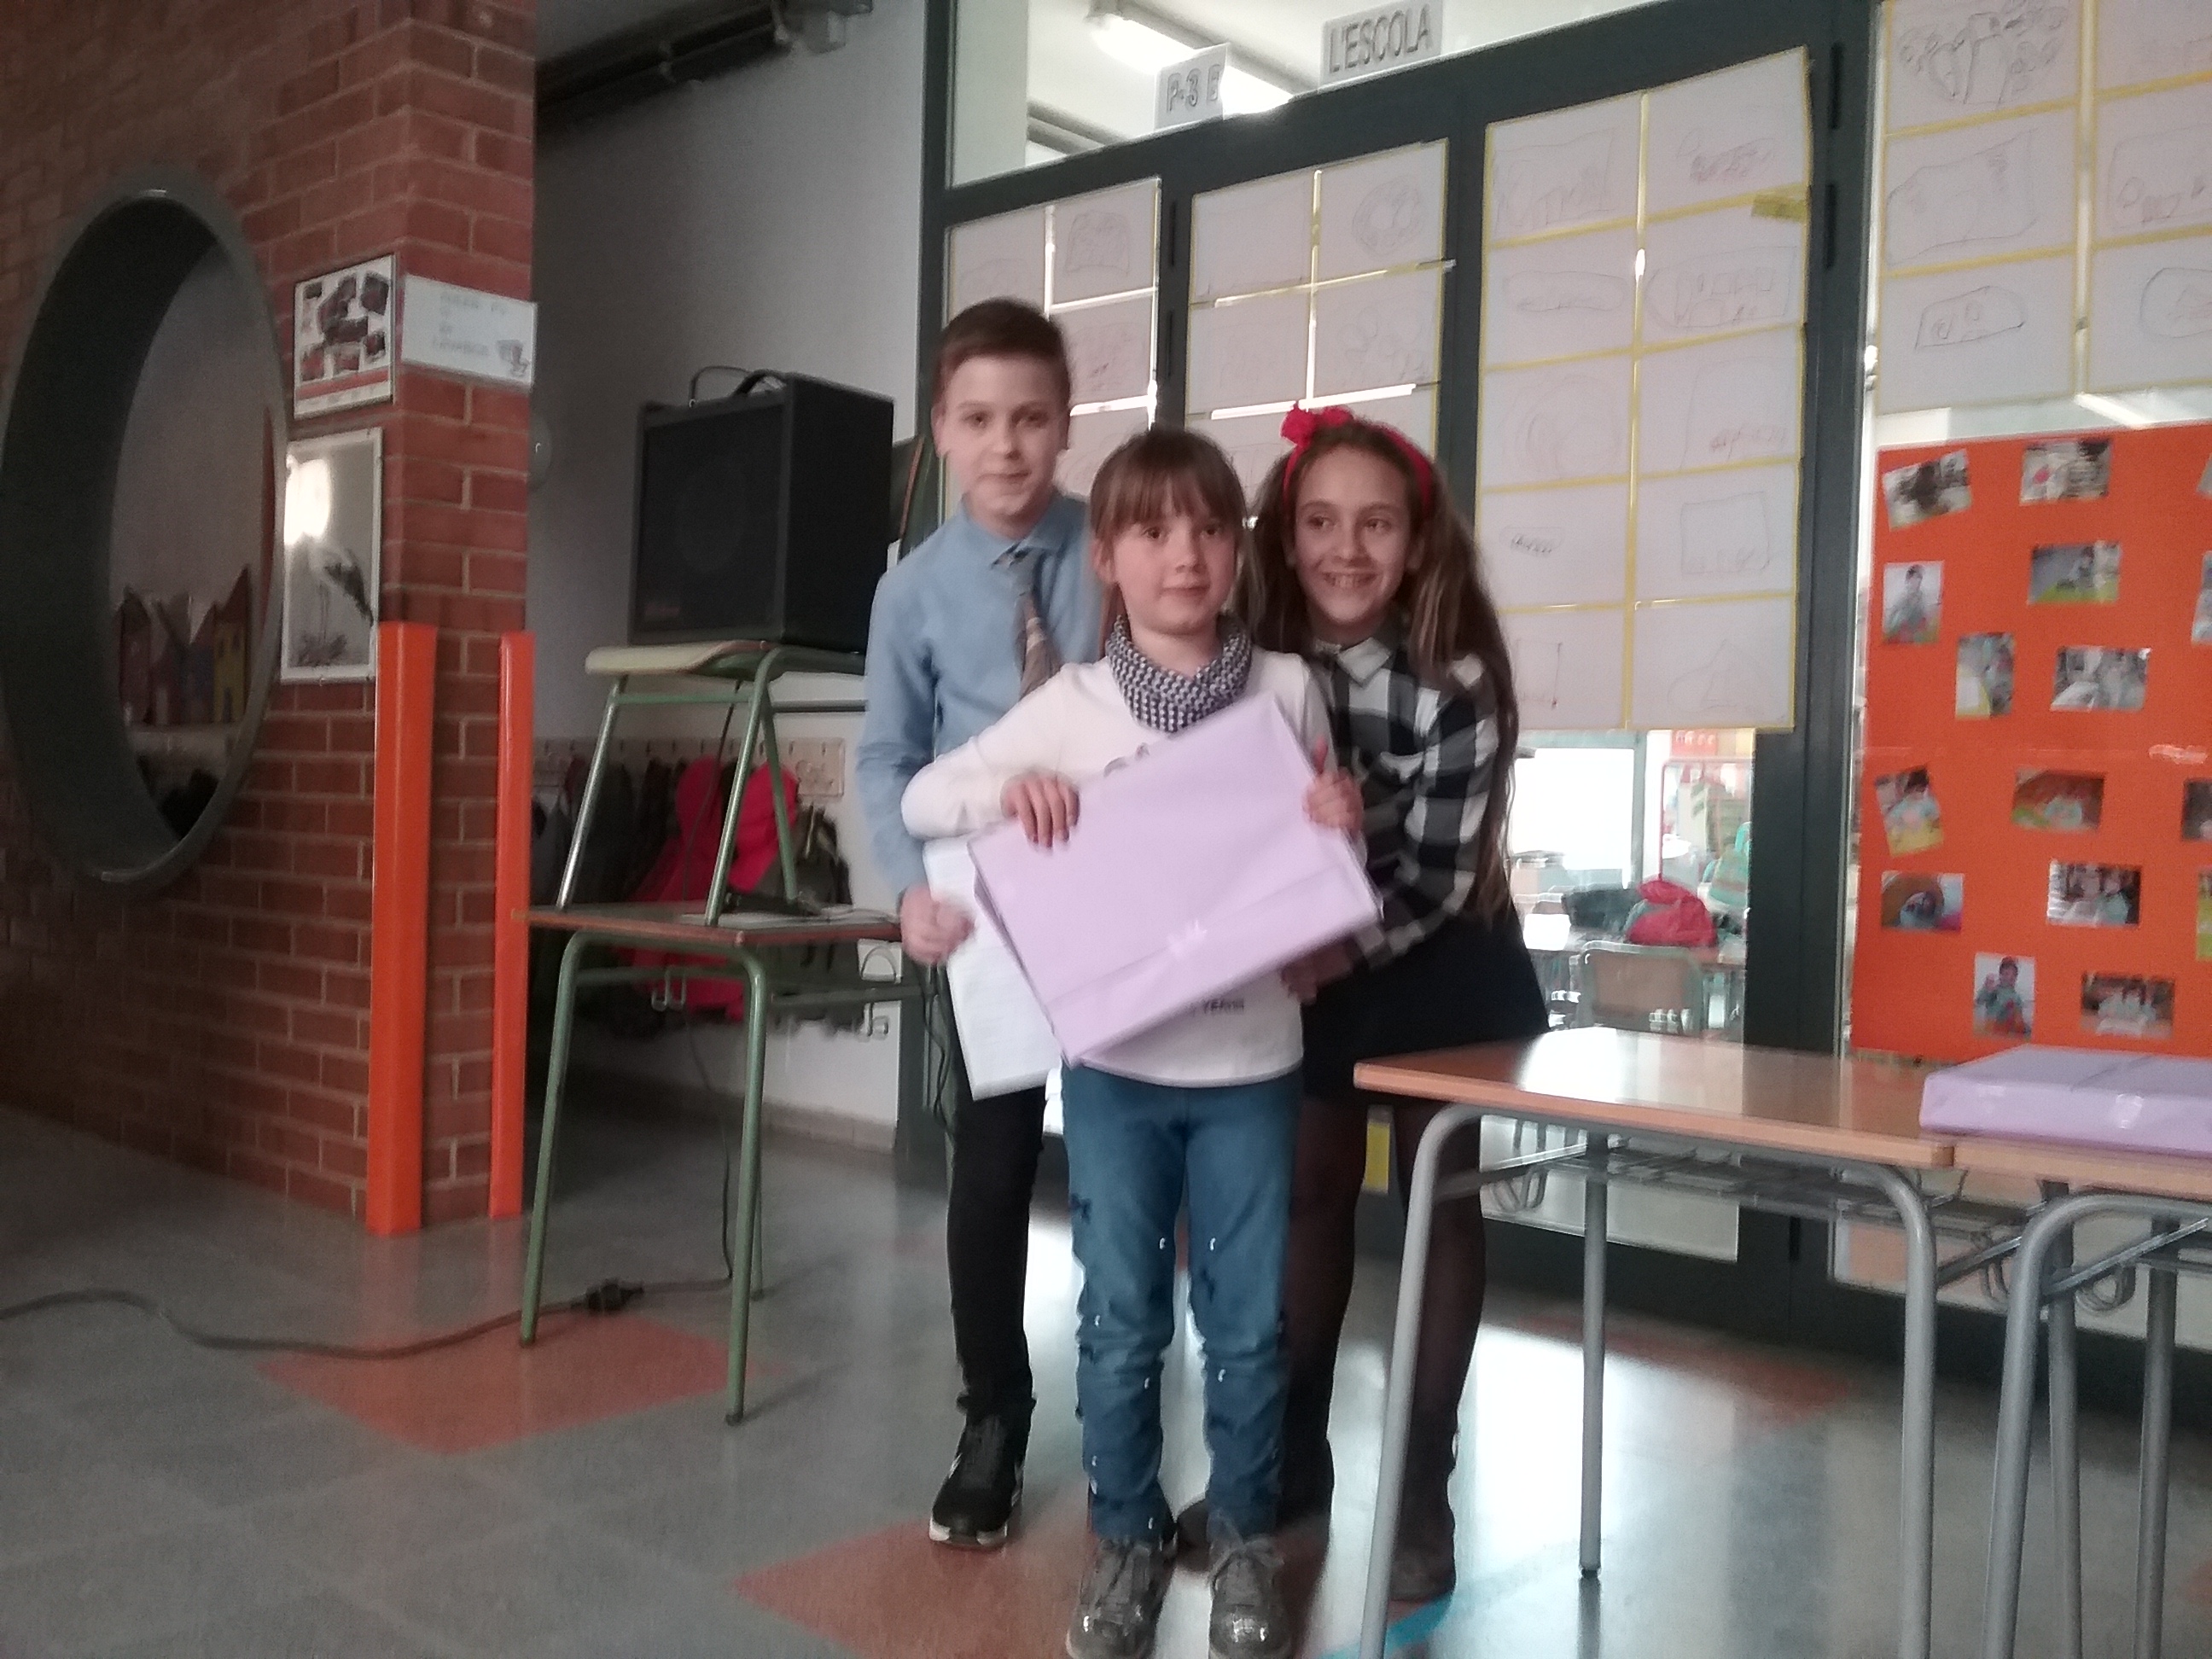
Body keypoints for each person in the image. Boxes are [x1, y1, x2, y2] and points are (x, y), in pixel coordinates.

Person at [902, 427, 1363, 1659]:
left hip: (1254, 1064)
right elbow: (925, 796)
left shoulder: (1285, 690)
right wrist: (1013, 791)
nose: (1186, 555)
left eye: (1210, 529)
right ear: (1106, 557)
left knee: (1249, 1325)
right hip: (1116, 1071)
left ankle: (1246, 1539)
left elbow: (1323, 862)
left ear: (1237, 550)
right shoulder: (1072, 706)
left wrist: (1339, 821)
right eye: (1153, 532)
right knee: (1117, 1322)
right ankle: (1126, 1541)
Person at [1196, 403, 1549, 1602]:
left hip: (1442, 949)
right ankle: (1290, 1465)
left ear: (1418, 539)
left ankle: (1422, 1490)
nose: (1347, 550)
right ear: (1284, 533)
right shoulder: (1247, 653)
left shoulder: (1458, 673)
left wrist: (1330, 953)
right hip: (1312, 952)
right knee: (1308, 1190)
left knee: (1440, 1203)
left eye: (1377, 525)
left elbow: (1438, 878)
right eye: (1321, 522)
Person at [854, 298, 1101, 1551]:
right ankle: (994, 1419)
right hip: (984, 905)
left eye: (1031, 417)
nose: (1007, 445)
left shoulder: (1113, 546)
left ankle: (1124, 1416)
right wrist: (908, 888)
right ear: (941, 430)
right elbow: (886, 756)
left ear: (1066, 423)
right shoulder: (911, 591)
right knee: (993, 1163)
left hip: (1114, 888)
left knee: (1123, 1160)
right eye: (980, 419)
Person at [1976, 958, 2028, 1036]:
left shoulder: (2017, 997)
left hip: (2009, 1033)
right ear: (2001, 975)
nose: (2010, 977)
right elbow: (1979, 1001)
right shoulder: (1994, 991)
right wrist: (1987, 988)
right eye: (2007, 973)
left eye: (2014, 975)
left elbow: (2019, 1021)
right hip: (1992, 1032)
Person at [1884, 564, 1933, 642]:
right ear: (1909, 579)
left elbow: (1925, 614)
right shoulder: (1904, 596)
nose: (1918, 581)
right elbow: (1894, 612)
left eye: (1919, 577)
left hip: (1917, 631)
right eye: (1915, 577)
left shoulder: (1922, 596)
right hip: (1904, 631)